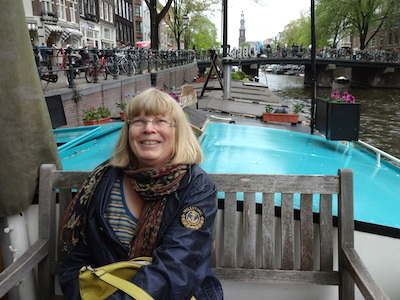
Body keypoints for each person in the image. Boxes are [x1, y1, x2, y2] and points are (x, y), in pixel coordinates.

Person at [59, 87, 223, 300]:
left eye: (161, 121)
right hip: (108, 289)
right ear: (128, 131)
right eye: (138, 121)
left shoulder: (196, 187)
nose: (148, 128)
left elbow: (177, 267)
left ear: (178, 131)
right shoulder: (103, 180)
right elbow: (78, 255)